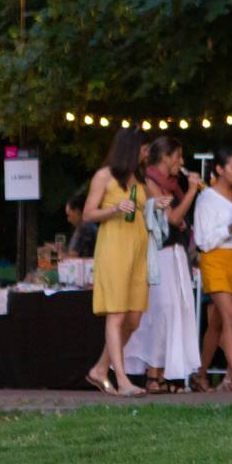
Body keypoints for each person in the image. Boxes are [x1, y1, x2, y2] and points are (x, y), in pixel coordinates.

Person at [124, 136, 203, 394]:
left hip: (176, 253)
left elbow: (177, 218)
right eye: (178, 156)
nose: (180, 162)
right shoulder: (150, 182)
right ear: (166, 157)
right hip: (160, 253)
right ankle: (153, 372)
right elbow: (171, 218)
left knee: (177, 309)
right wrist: (191, 191)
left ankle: (170, 371)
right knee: (161, 310)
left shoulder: (171, 186)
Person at [81, 127, 151, 397]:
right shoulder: (105, 176)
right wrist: (114, 209)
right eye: (144, 149)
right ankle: (121, 380)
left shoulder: (138, 178)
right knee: (117, 314)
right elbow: (87, 214)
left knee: (133, 318)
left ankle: (100, 368)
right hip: (113, 249)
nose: (146, 154)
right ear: (131, 149)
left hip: (137, 251)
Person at [192, 146, 232, 393]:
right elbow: (203, 239)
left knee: (220, 322)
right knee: (229, 315)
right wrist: (228, 229)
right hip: (215, 260)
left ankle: (201, 373)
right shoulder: (206, 198)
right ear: (219, 169)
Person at [64, 192, 97, 258]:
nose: (68, 219)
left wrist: (57, 253)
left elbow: (72, 257)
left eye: (69, 215)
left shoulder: (83, 229)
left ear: (77, 211)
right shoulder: (91, 226)